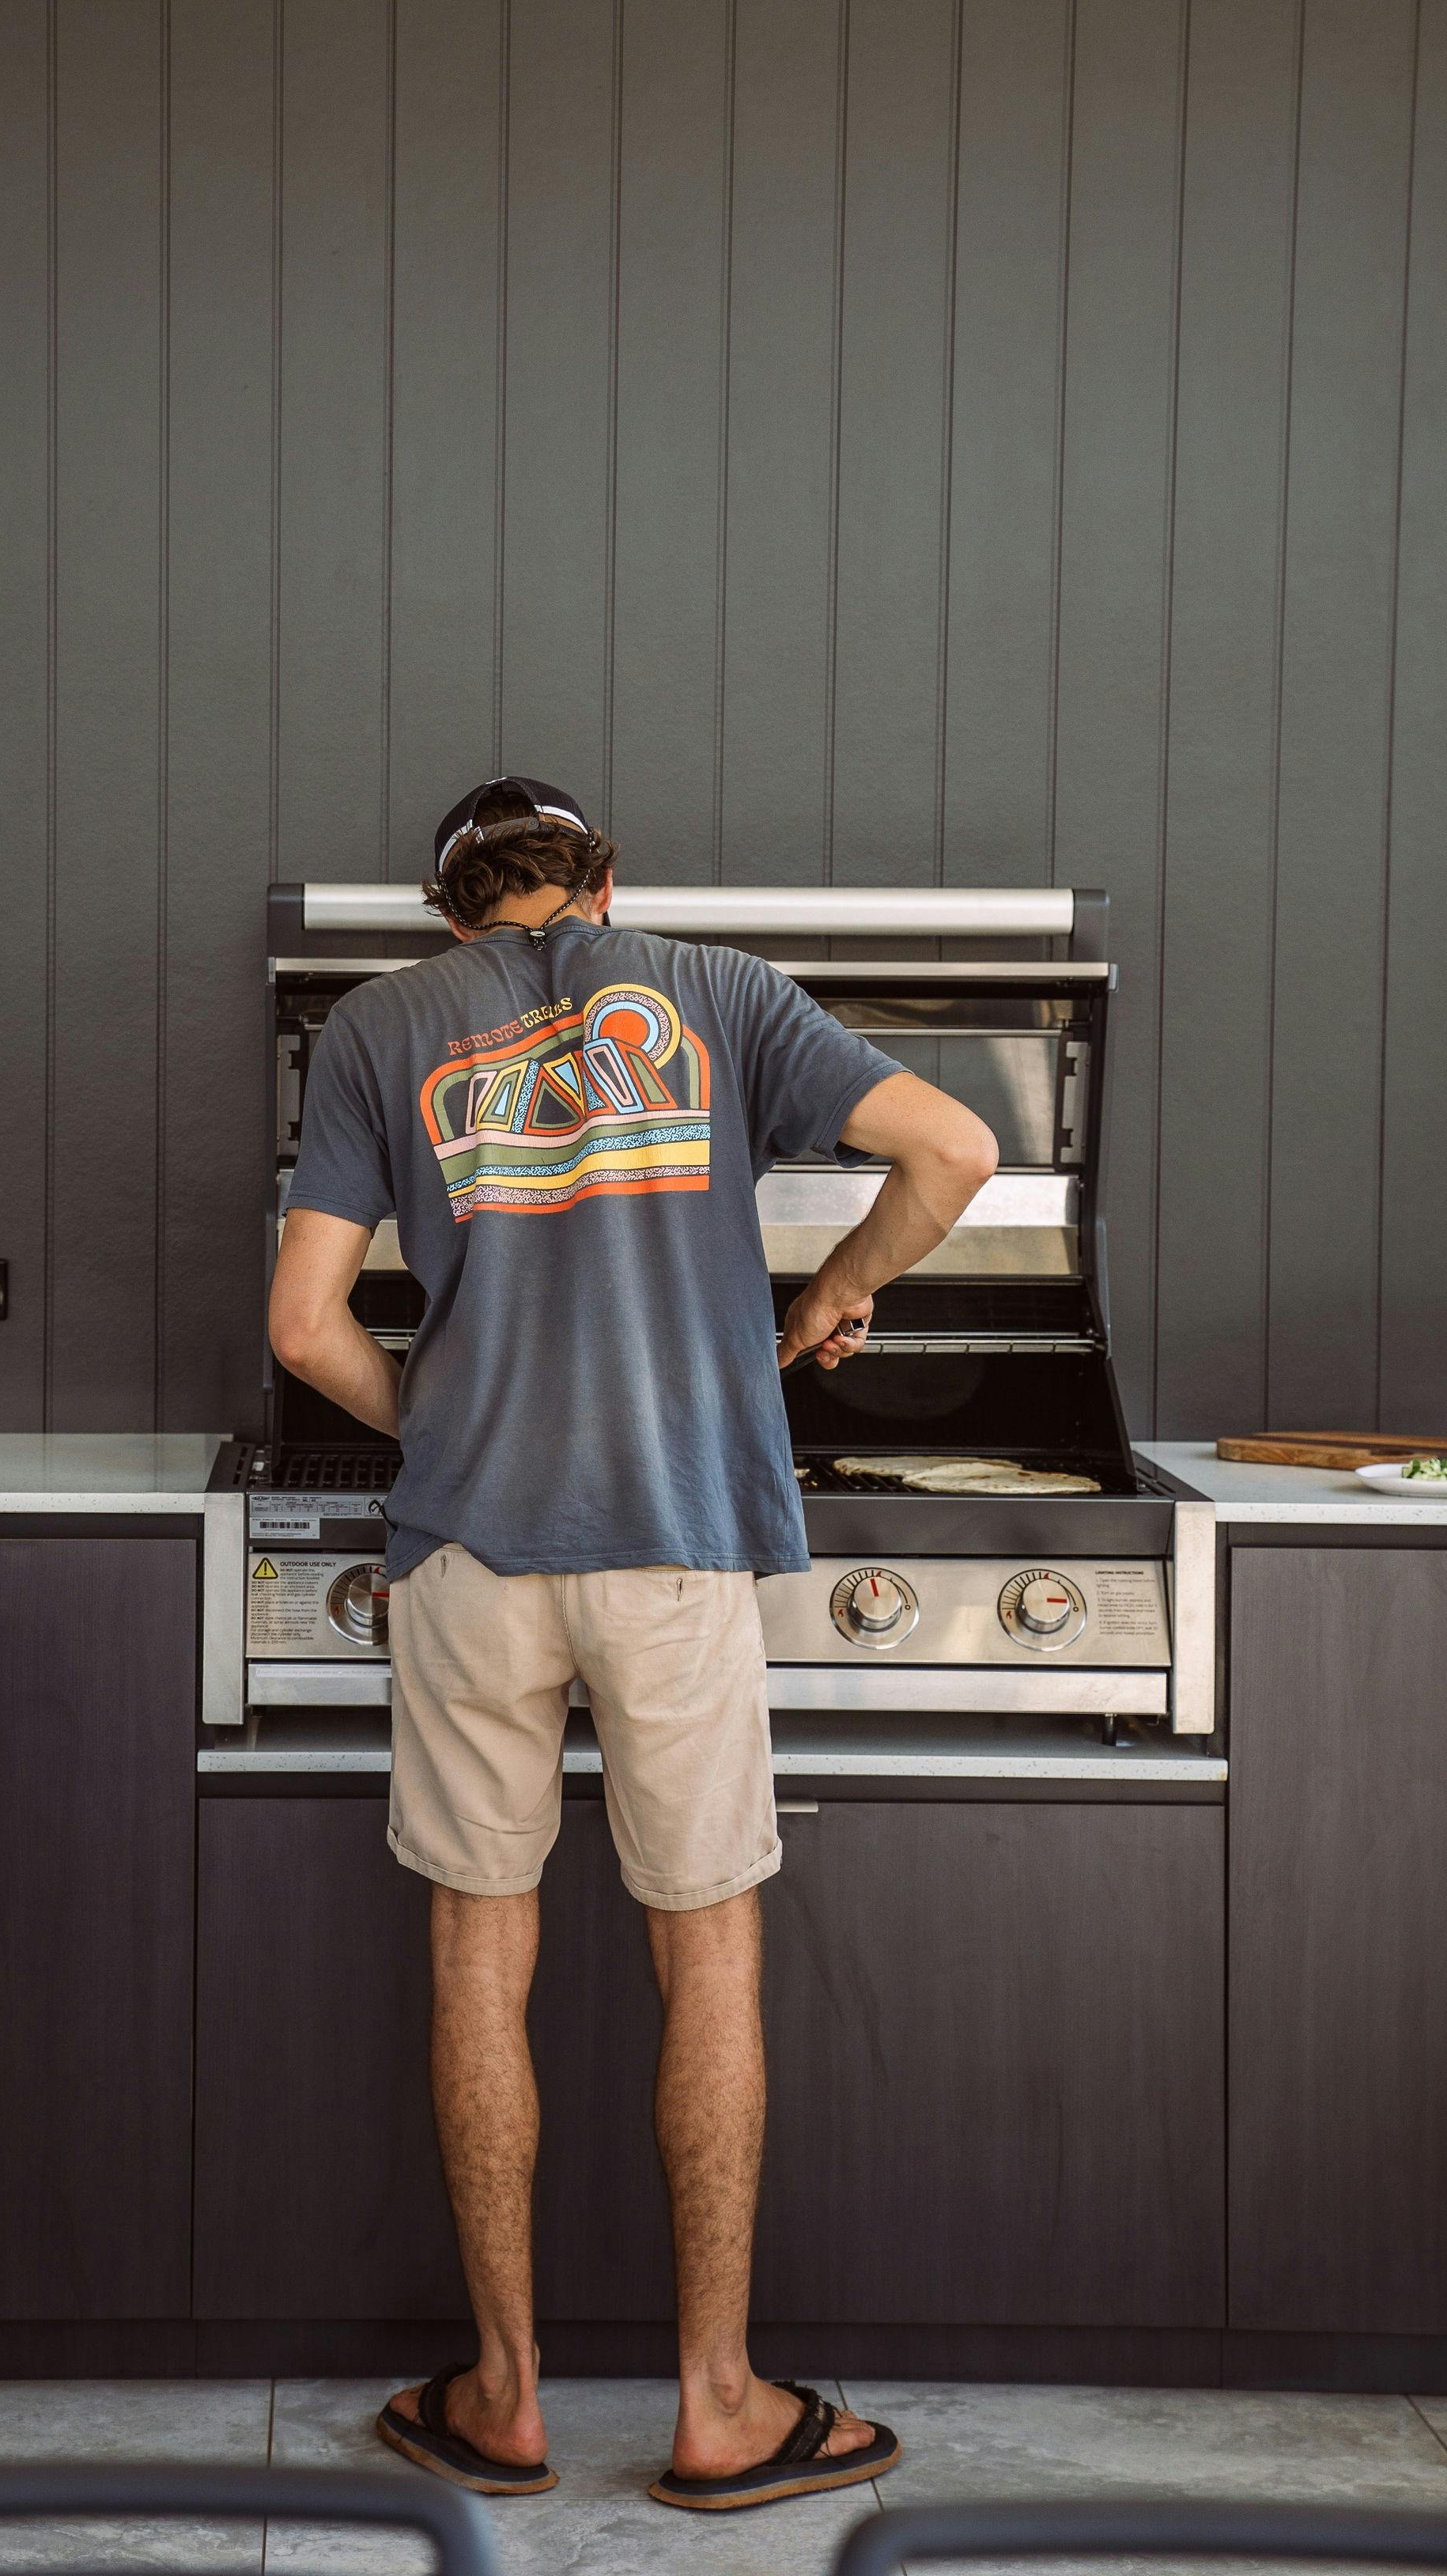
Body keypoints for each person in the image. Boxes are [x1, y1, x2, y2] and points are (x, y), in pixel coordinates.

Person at [267, 776, 999, 2513]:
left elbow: (305, 1330)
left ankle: (504, 2398)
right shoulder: (721, 990)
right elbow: (957, 1150)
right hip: (678, 1543)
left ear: (449, 912)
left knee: (476, 1949)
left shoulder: (376, 1028)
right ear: (604, 882)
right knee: (711, 1957)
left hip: (473, 1551)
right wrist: (827, 1299)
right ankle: (718, 2404)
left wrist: (436, 1424)